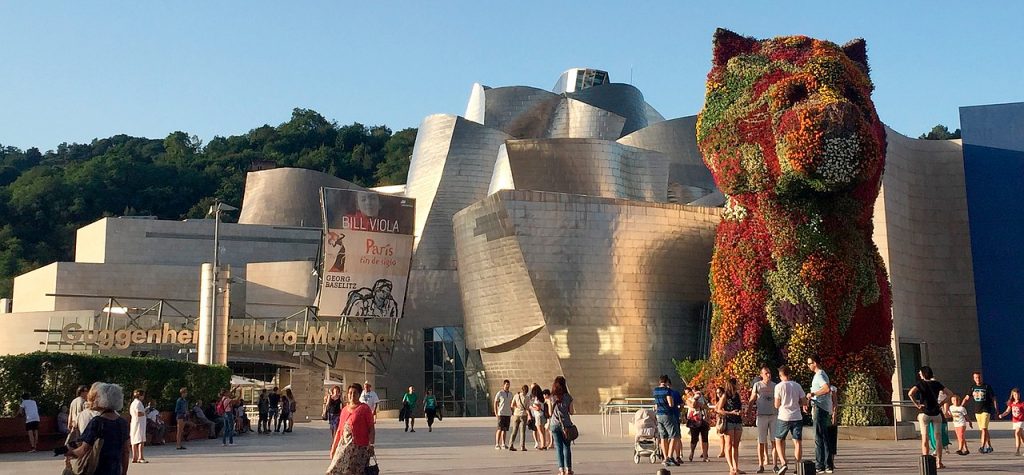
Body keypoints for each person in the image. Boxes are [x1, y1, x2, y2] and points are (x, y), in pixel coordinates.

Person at [66, 383, 130, 475]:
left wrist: (69, 452)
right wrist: (124, 472)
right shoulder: (122, 422)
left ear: (102, 400)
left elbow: (83, 450)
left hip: (98, 469)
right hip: (115, 469)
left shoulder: (97, 422)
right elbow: (126, 451)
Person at [908, 365, 956, 470]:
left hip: (924, 412)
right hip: (936, 412)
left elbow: (910, 393)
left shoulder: (920, 384)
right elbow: (950, 394)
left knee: (925, 438)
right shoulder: (937, 384)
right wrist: (941, 403)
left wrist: (917, 405)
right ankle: (939, 462)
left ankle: (926, 460)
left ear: (923, 374)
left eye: (920, 373)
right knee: (938, 438)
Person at [327, 383, 376, 475]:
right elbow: (339, 430)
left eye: (355, 393)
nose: (352, 395)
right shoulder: (344, 410)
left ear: (359, 394)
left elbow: (371, 428)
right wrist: (334, 447)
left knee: (356, 471)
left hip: (360, 448)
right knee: (334, 469)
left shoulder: (364, 409)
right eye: (350, 393)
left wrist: (371, 444)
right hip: (344, 446)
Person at [773, 365, 807, 475]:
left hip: (784, 416)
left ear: (780, 375)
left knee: (778, 440)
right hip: (797, 416)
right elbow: (804, 401)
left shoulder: (778, 387)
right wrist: (797, 404)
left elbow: (777, 404)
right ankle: (798, 465)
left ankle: (783, 463)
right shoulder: (797, 386)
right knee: (797, 441)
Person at [806, 355, 834, 473]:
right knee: (824, 437)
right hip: (824, 408)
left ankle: (820, 465)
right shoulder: (822, 374)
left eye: (809, 363)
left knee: (819, 437)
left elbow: (827, 389)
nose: (808, 366)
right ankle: (827, 465)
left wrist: (813, 394)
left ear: (815, 363)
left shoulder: (819, 375)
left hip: (820, 408)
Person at [750, 367, 779, 474]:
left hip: (773, 415)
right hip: (762, 416)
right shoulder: (757, 385)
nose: (768, 375)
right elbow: (752, 398)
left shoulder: (775, 386)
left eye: (769, 373)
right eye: (766, 373)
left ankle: (775, 465)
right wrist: (748, 410)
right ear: (761, 374)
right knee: (761, 441)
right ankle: (761, 464)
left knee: (774, 441)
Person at [547, 376, 575, 475]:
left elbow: (550, 413)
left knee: (558, 447)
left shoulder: (551, 397)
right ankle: (569, 469)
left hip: (554, 424)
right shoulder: (568, 397)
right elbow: (571, 412)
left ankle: (561, 470)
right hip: (566, 425)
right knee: (566, 447)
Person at [965, 371, 998, 454]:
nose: (978, 379)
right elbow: (967, 398)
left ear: (981, 377)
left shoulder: (987, 387)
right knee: (984, 429)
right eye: (976, 377)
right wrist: (961, 406)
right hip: (977, 411)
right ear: (974, 378)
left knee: (983, 429)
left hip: (986, 410)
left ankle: (982, 446)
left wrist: (996, 409)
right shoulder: (973, 387)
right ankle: (989, 446)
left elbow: (993, 398)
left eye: (979, 377)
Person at [716, 378, 744, 475]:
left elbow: (740, 406)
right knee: (728, 445)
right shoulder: (725, 396)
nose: (739, 384)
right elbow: (718, 409)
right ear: (733, 385)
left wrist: (740, 412)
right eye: (737, 383)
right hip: (729, 421)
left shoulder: (737, 395)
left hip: (738, 421)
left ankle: (736, 467)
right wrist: (730, 412)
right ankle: (731, 467)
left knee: (736, 445)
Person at [653, 375, 679, 466]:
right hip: (667, 414)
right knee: (674, 435)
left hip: (658, 415)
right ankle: (670, 456)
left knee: (663, 436)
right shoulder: (667, 391)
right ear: (667, 382)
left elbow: (656, 404)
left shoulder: (655, 390)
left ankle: (665, 457)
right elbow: (670, 404)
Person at [686, 386, 711, 462]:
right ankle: (692, 452)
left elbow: (706, 407)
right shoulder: (688, 399)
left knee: (705, 438)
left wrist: (700, 403)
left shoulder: (702, 398)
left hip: (703, 420)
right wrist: (695, 400)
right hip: (694, 420)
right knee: (694, 438)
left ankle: (705, 455)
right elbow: (693, 405)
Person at [998, 387, 1024, 456]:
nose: (1016, 396)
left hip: (1021, 421)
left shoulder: (1022, 403)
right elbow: (1007, 411)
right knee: (1021, 436)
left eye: (1017, 394)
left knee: (1017, 433)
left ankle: (1017, 450)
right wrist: (1002, 415)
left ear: (1019, 395)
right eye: (1015, 395)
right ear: (1012, 395)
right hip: (1015, 421)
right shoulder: (1011, 403)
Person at [129, 389, 148, 463]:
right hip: (139, 423)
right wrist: (145, 413)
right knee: (141, 440)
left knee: (134, 439)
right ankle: (140, 457)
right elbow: (138, 413)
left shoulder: (133, 403)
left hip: (134, 422)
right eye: (142, 395)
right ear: (140, 396)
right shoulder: (138, 403)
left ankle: (134, 457)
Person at [494, 379, 514, 449]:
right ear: (504, 385)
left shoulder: (511, 394)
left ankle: (503, 443)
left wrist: (512, 411)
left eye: (508, 385)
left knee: (505, 429)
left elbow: (511, 403)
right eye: (506, 385)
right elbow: (495, 402)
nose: (507, 386)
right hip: (501, 413)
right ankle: (497, 444)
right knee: (500, 429)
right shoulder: (500, 393)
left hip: (508, 413)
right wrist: (496, 412)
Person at [509, 385, 529, 450]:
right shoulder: (527, 397)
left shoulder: (516, 395)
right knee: (522, 431)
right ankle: (522, 446)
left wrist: (517, 407)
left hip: (516, 414)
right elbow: (527, 408)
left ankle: (511, 444)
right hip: (523, 415)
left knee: (514, 431)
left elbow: (512, 405)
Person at [530, 384, 549, 450]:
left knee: (540, 431)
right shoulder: (541, 398)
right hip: (542, 415)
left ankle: (542, 445)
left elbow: (538, 408)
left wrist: (531, 407)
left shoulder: (537, 399)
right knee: (543, 431)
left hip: (538, 416)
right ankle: (544, 444)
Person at [714, 386, 727, 458]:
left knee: (722, 436)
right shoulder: (719, 400)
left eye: (719, 392)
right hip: (720, 419)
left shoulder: (723, 399)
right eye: (717, 393)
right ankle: (723, 451)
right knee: (721, 436)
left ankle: (723, 451)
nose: (718, 394)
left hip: (723, 419)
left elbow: (718, 408)